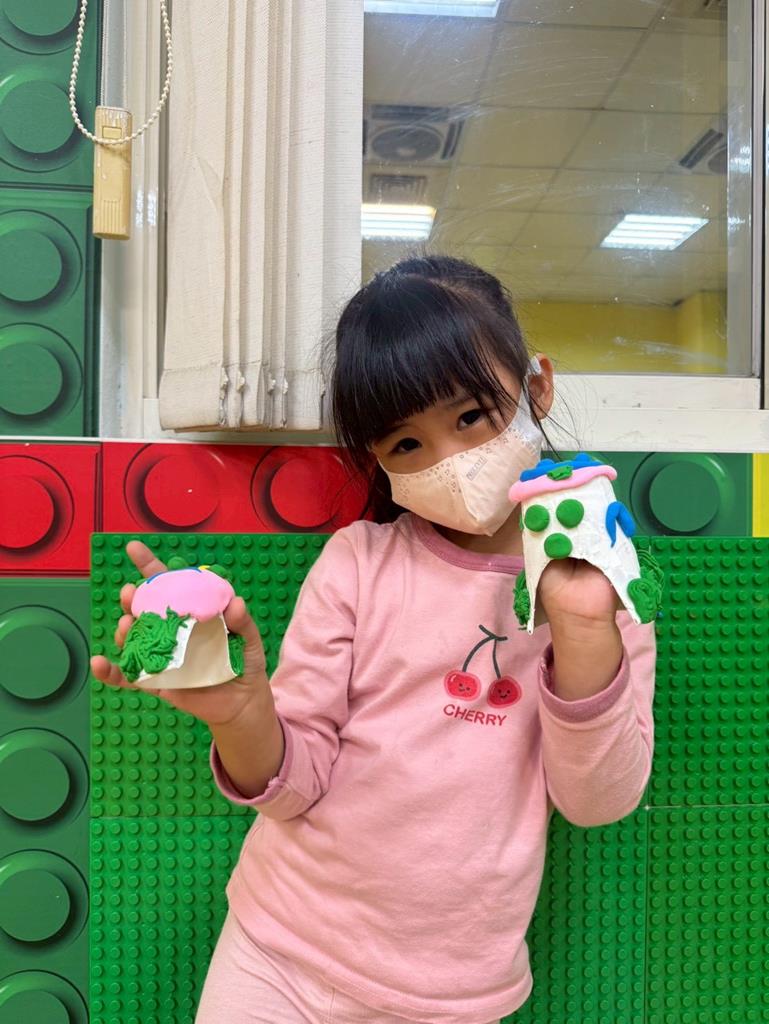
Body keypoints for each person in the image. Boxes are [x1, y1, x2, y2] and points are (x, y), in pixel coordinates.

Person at [91, 255, 656, 1024]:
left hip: (450, 993)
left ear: (537, 387)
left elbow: (596, 801)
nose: (449, 462)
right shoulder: (358, 563)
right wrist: (240, 714)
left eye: (470, 417)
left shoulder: (606, 578)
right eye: (405, 446)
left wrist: (584, 631)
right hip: (278, 949)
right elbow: (295, 784)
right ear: (377, 462)